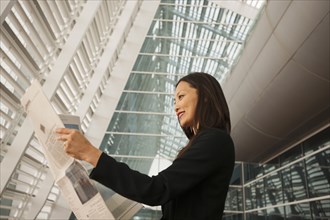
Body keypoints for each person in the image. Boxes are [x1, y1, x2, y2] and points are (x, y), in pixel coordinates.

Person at [56, 72, 235, 219]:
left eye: (181, 97)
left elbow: (157, 189)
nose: (176, 106)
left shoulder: (215, 141)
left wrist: (91, 153)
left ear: (205, 96)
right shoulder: (205, 143)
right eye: (174, 101)